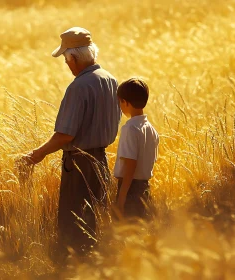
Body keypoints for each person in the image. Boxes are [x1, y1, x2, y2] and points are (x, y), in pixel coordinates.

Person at [21, 27, 120, 261]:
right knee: (96, 220)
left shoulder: (78, 87)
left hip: (78, 165)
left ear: (73, 58)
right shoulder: (110, 79)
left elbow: (65, 134)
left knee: (75, 227)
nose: (67, 65)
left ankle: (74, 270)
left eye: (66, 59)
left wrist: (37, 154)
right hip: (101, 161)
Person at [113, 78, 159, 219]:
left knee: (127, 233)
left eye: (120, 102)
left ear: (125, 102)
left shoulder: (130, 128)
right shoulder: (151, 129)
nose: (120, 106)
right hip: (144, 189)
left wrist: (121, 198)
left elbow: (130, 165)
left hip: (130, 190)